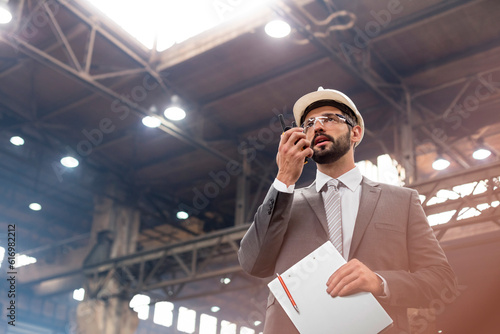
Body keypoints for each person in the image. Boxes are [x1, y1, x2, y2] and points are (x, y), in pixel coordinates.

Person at [238, 87, 458, 334]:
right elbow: (252, 263)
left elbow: (441, 280)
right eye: (309, 124)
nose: (317, 127)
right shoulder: (284, 202)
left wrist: (379, 282)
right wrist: (284, 178)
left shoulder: (402, 201)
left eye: (329, 119)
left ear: (356, 132)